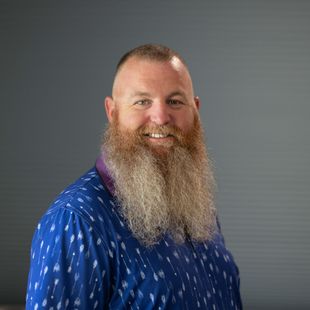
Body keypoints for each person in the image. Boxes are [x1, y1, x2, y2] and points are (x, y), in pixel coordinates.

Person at [26, 44, 242, 309]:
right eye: (142, 101)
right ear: (112, 111)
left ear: (195, 109)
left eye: (175, 101)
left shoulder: (196, 207)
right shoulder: (77, 220)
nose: (161, 117)